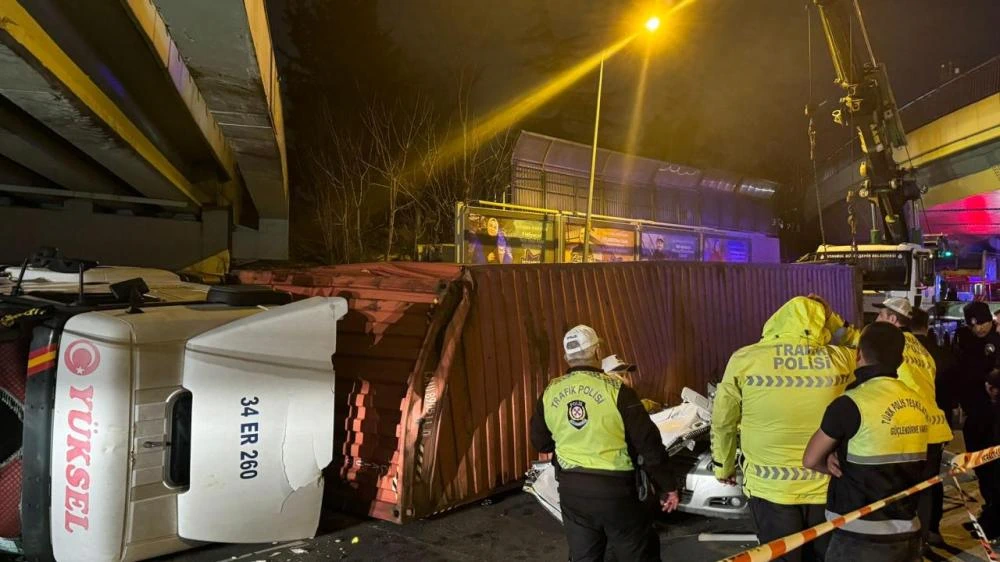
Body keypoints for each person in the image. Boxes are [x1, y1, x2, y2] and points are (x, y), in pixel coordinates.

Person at [712, 296, 856, 562]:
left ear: (776, 320)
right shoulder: (841, 360)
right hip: (825, 485)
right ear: (821, 324)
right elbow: (869, 345)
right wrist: (833, 318)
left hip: (770, 488)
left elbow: (723, 421)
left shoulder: (745, 359)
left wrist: (724, 465)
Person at [530, 325, 679, 562]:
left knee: (584, 557)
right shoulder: (618, 390)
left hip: (572, 492)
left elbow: (541, 442)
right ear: (598, 352)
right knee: (637, 553)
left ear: (567, 357)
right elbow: (648, 444)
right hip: (617, 492)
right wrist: (667, 486)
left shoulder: (550, 391)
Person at [803, 323, 929, 561]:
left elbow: (810, 459)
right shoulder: (917, 404)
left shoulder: (850, 403)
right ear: (901, 361)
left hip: (857, 532)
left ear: (858, 354)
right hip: (907, 530)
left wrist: (831, 464)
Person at [910, 307, 957, 545]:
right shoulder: (940, 353)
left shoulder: (903, 352)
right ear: (926, 326)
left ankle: (913, 533)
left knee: (909, 484)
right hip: (938, 427)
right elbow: (950, 393)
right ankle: (931, 530)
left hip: (907, 427)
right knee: (931, 483)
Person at [952, 302, 1000, 454]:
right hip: (972, 405)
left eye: (981, 323)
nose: (977, 329)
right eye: (972, 325)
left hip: (994, 405)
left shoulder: (997, 337)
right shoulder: (963, 337)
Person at [965, 369, 1000, 541]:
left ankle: (991, 527)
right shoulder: (985, 409)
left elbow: (972, 434)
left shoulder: (983, 411)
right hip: (988, 462)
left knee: (993, 493)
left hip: (988, 463)